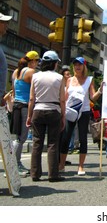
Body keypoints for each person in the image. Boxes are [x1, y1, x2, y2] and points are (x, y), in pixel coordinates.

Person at [59, 57, 104, 175]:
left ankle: (80, 166)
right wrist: (62, 109)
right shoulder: (69, 80)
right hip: (70, 111)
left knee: (83, 138)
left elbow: (92, 97)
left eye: (79, 65)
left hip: (84, 112)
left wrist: (100, 90)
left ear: (84, 66)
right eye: (75, 65)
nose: (77, 67)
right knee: (66, 137)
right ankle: (61, 165)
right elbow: (65, 95)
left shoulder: (89, 80)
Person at [26, 50, 66, 182]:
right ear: (54, 64)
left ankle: (35, 174)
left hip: (38, 109)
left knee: (37, 142)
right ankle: (53, 174)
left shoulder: (36, 76)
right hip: (54, 110)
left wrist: (29, 115)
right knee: (53, 143)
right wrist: (63, 116)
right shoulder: (59, 78)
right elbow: (62, 100)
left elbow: (32, 98)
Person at [12, 50, 40, 176]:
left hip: (16, 105)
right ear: (32, 61)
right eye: (37, 61)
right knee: (21, 137)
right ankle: (14, 164)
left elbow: (13, 90)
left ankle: (14, 163)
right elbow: (35, 92)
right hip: (24, 106)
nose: (37, 64)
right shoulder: (31, 72)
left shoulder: (15, 72)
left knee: (17, 136)